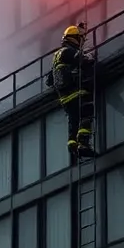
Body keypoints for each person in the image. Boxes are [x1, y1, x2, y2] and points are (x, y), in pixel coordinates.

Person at [44, 24, 97, 160]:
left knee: (73, 119)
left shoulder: (56, 56)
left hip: (64, 97)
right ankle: (83, 144)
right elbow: (83, 60)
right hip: (76, 90)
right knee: (86, 112)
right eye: (79, 39)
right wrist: (91, 57)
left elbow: (49, 80)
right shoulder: (68, 51)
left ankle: (72, 143)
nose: (80, 42)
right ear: (74, 39)